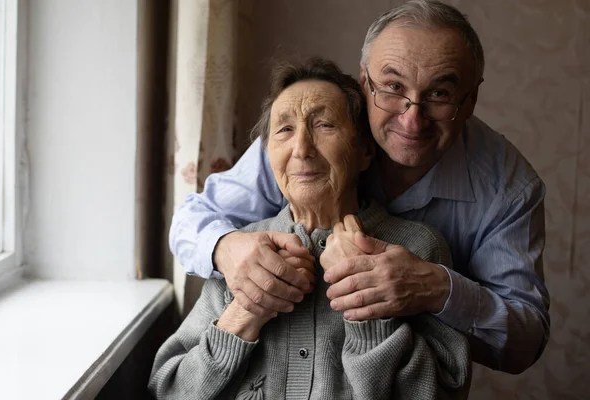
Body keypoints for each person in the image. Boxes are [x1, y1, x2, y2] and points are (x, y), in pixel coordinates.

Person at [170, 0, 550, 374]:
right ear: (365, 80)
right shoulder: (309, 138)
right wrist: (226, 249)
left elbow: (524, 342)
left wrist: (435, 289)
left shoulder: (507, 187)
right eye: (392, 86)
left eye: (439, 95)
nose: (411, 120)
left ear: (471, 100)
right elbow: (192, 220)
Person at [151, 59, 471, 400]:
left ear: (365, 150)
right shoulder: (242, 253)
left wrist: (368, 312)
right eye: (284, 130)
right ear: (268, 153)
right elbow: (168, 390)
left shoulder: (419, 247)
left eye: (324, 125)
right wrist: (244, 312)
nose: (301, 149)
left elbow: (443, 392)